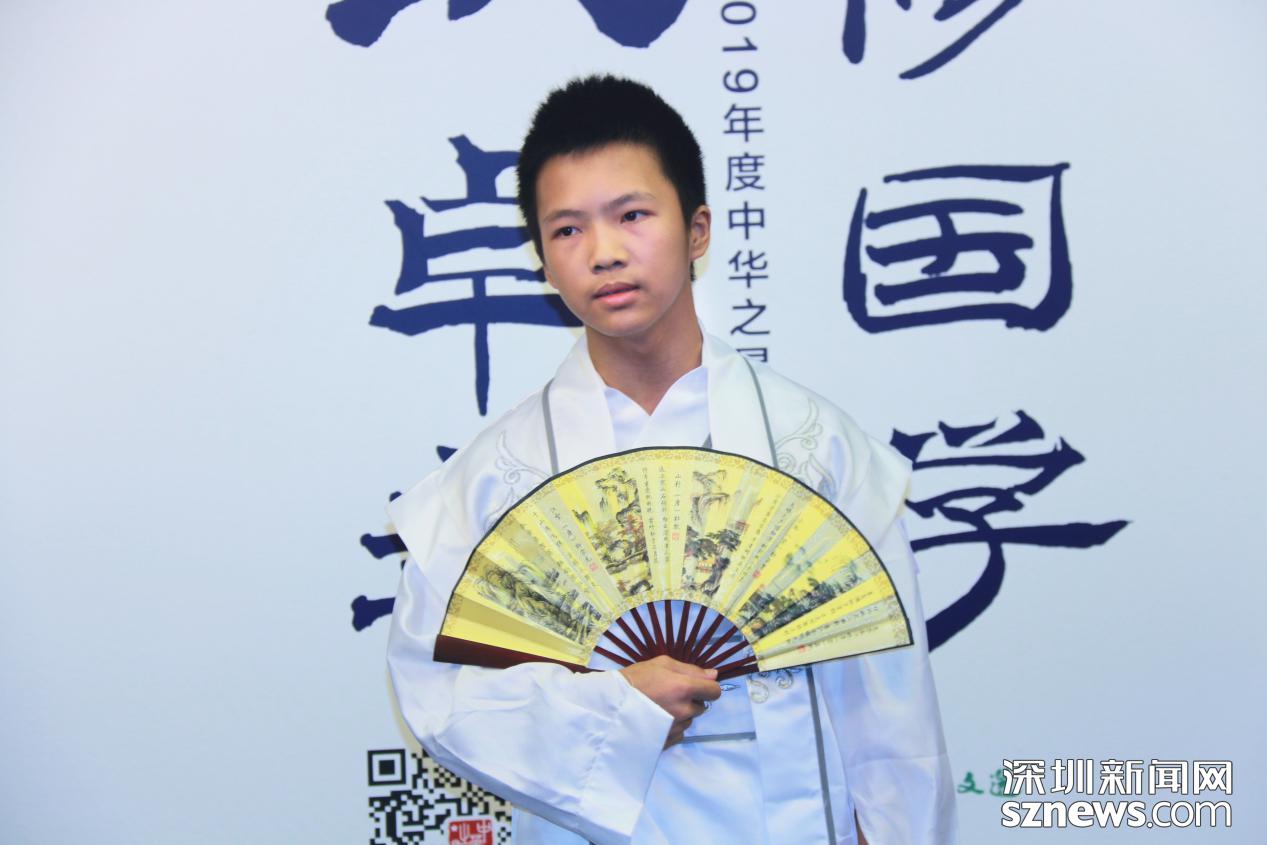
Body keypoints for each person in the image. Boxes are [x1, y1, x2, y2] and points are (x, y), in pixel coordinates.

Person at [386, 75, 957, 845]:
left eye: (631, 215)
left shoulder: (813, 449)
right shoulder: (496, 479)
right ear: (542, 259)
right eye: (568, 229)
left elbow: (893, 714)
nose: (604, 253)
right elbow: (439, 696)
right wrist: (617, 706)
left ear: (697, 230)